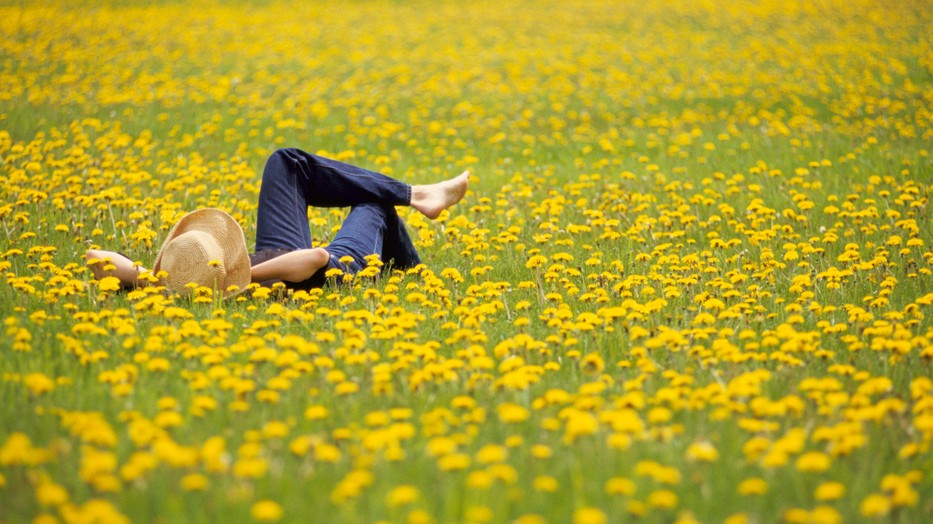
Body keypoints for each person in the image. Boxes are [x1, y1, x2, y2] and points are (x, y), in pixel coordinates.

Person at [85, 148, 470, 297]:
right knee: (374, 203)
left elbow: (96, 257)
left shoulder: (170, 286)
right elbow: (316, 258)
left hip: (271, 252)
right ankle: (413, 267)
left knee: (286, 162)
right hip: (337, 269)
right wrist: (239, 278)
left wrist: (148, 276)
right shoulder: (243, 281)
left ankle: (416, 195)